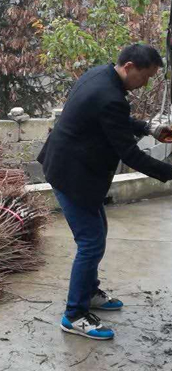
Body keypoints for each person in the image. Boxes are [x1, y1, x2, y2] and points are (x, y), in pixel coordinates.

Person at [38, 44, 172, 340]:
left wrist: (148, 128)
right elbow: (130, 154)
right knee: (91, 242)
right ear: (129, 67)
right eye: (145, 76)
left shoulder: (100, 74)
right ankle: (74, 315)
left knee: (97, 233)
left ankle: (89, 292)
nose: (146, 84)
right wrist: (168, 173)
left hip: (71, 165)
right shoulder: (110, 96)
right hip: (73, 175)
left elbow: (110, 120)